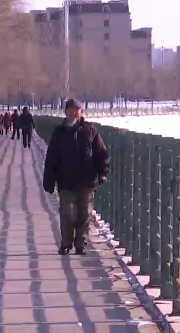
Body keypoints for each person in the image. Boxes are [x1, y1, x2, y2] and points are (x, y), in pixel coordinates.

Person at [42, 98, 109, 256]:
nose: (73, 112)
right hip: (66, 180)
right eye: (70, 109)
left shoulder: (90, 130)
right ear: (65, 112)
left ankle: (81, 243)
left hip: (87, 181)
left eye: (76, 109)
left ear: (81, 112)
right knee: (68, 213)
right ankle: (66, 243)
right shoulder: (59, 132)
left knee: (84, 213)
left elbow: (101, 153)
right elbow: (51, 157)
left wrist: (103, 172)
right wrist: (49, 180)